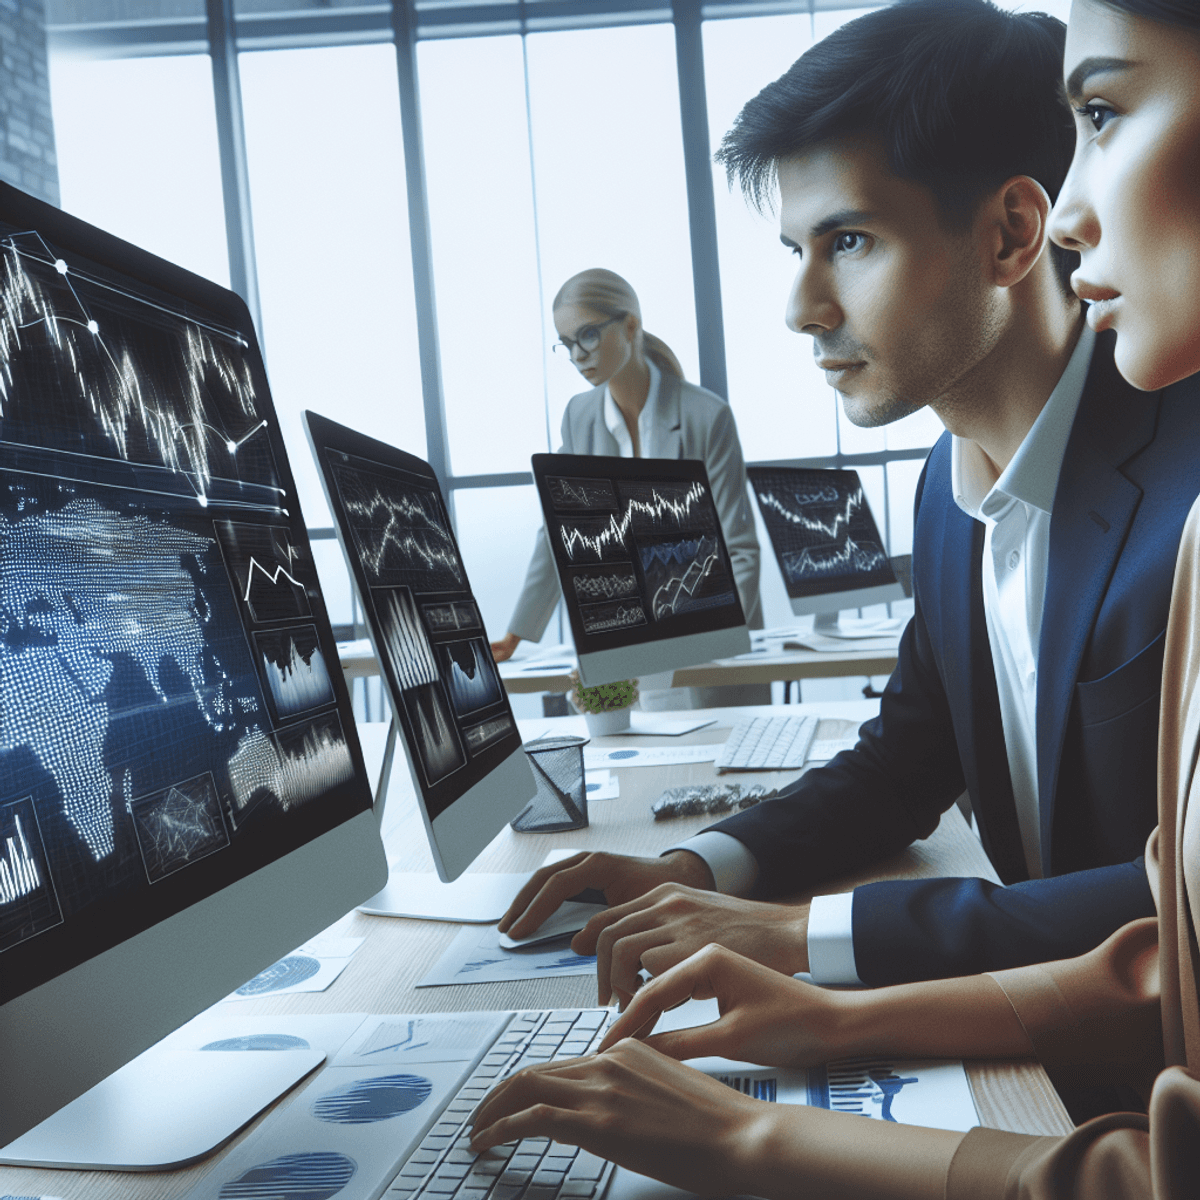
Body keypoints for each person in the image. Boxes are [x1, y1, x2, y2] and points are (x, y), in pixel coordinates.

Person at [470, 3, 1200, 1194]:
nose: (803, 309)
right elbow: (908, 756)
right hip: (1074, 1066)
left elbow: (1173, 905)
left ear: (1014, 232)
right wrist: (704, 868)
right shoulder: (939, 486)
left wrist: (809, 940)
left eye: (848, 242)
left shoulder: (1188, 480)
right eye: (795, 252)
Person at [490, 269, 763, 673]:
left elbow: (738, 550)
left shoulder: (707, 416)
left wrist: (707, 639)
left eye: (587, 335)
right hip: (629, 640)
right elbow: (560, 529)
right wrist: (518, 633)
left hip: (711, 643)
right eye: (566, 343)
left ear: (631, 326)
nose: (576, 355)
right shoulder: (579, 417)